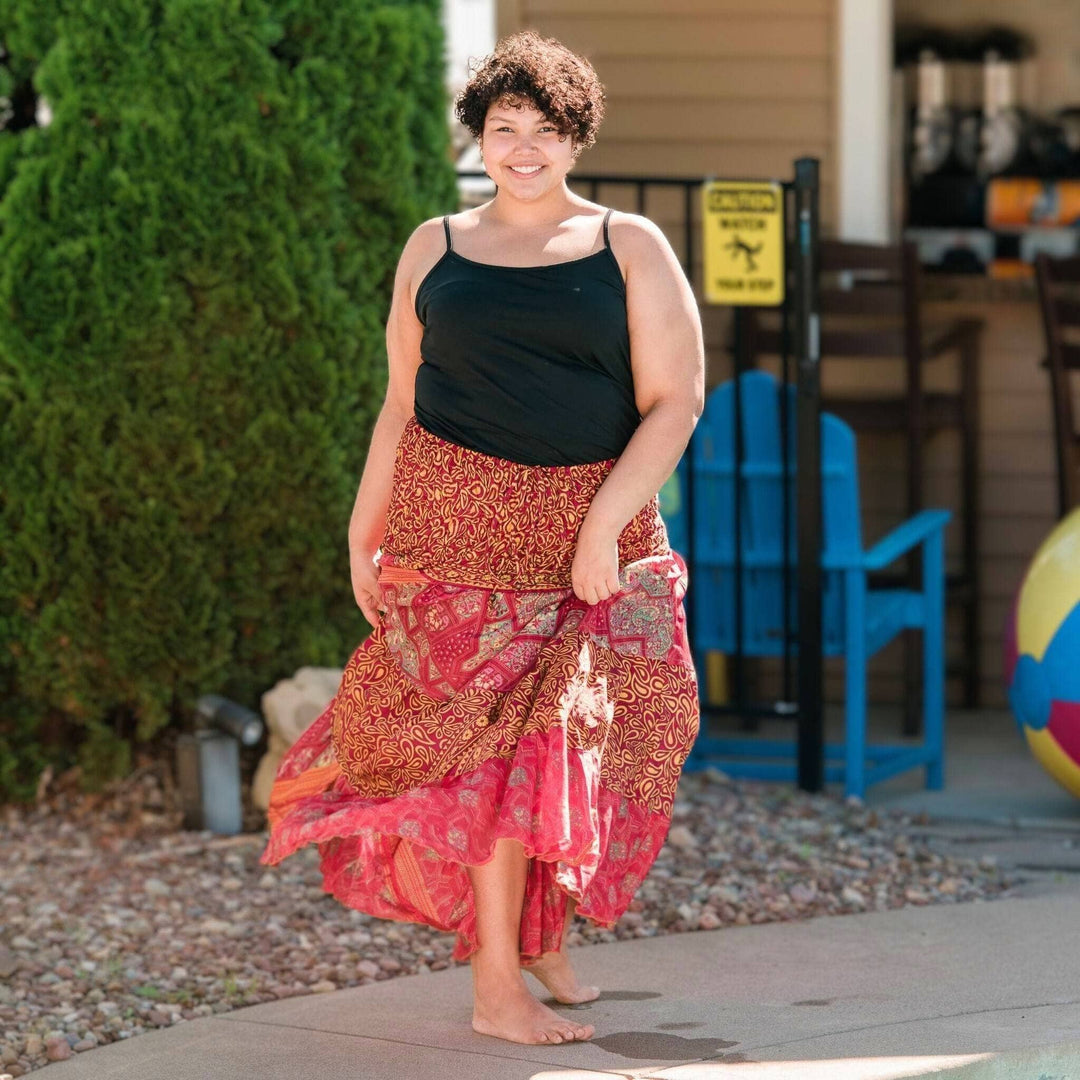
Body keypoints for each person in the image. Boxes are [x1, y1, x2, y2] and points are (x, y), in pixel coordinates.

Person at [259, 29, 705, 1048]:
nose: (523, 149)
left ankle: (538, 939)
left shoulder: (628, 245)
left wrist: (601, 529)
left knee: (573, 746)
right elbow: (399, 404)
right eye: (505, 129)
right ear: (481, 138)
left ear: (574, 138)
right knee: (485, 763)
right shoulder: (435, 246)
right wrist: (361, 527)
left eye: (543, 131)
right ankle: (497, 981)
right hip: (450, 540)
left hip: (589, 535)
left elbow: (676, 402)